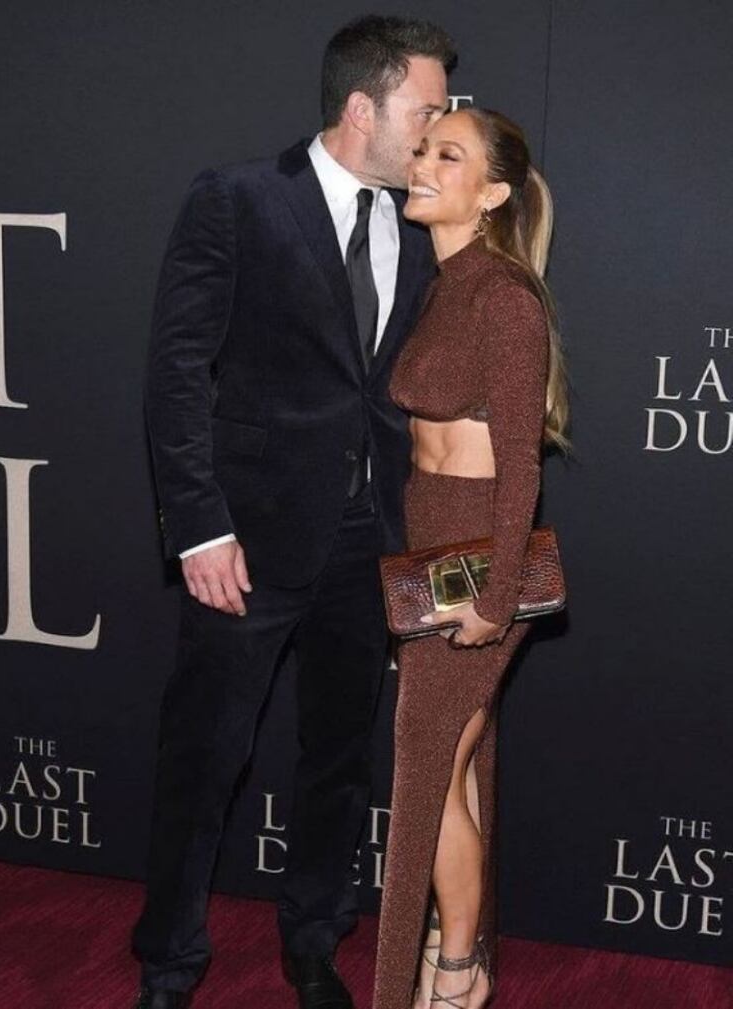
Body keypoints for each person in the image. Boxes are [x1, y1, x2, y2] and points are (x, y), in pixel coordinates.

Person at [131, 16, 457, 1009]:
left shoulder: (422, 221)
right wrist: (198, 524)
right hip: (247, 539)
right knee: (204, 757)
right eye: (425, 109)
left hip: (370, 540)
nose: (439, 126)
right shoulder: (238, 200)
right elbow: (176, 372)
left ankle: (313, 939)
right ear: (362, 108)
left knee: (338, 760)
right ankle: (168, 961)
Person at [372, 107, 569, 1009]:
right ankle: (458, 951)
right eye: (421, 149)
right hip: (425, 539)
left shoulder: (503, 296)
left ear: (491, 193)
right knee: (449, 764)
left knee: (425, 772)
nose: (420, 164)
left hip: (477, 551)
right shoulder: (441, 284)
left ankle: (455, 971)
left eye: (447, 155)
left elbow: (521, 462)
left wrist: (494, 595)